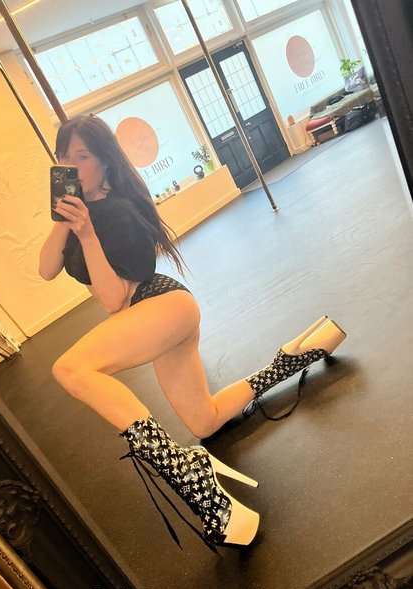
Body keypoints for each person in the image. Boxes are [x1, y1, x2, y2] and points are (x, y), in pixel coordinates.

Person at [39, 114, 346, 550]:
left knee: (70, 368)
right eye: (63, 158)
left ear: (105, 161)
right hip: (152, 318)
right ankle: (295, 356)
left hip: (161, 306)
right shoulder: (77, 217)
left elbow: (113, 300)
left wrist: (87, 234)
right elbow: (46, 268)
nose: (71, 166)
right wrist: (63, 219)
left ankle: (186, 473)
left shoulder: (118, 213)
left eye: (82, 156)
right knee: (204, 419)